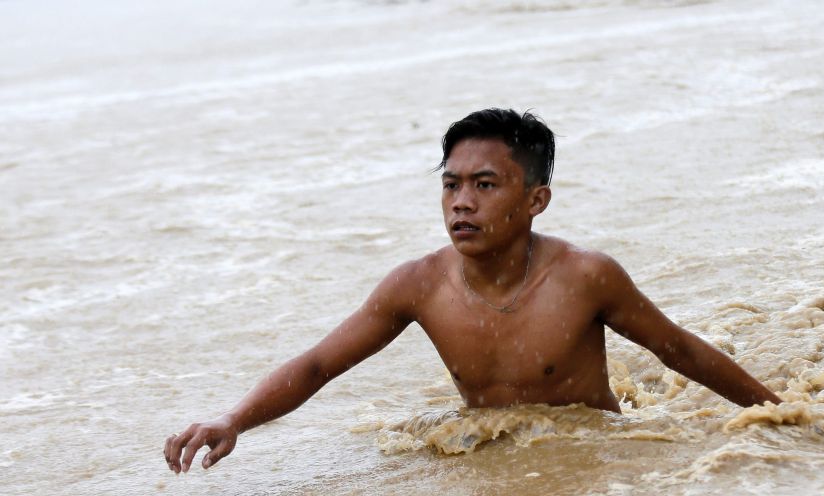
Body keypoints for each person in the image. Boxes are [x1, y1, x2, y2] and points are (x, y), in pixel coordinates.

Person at [164, 108, 781, 474]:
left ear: (535, 199)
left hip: (591, 454)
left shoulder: (585, 276)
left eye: (485, 185)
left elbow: (680, 351)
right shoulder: (419, 285)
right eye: (452, 184)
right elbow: (321, 363)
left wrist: (774, 414)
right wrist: (234, 418)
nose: (462, 202)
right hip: (487, 459)